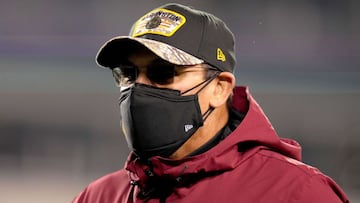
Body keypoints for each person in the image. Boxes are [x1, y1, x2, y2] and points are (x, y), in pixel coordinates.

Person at [73, 3, 349, 203]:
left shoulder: (297, 193)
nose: (139, 89)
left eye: (163, 73)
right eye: (128, 74)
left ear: (220, 88)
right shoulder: (99, 196)